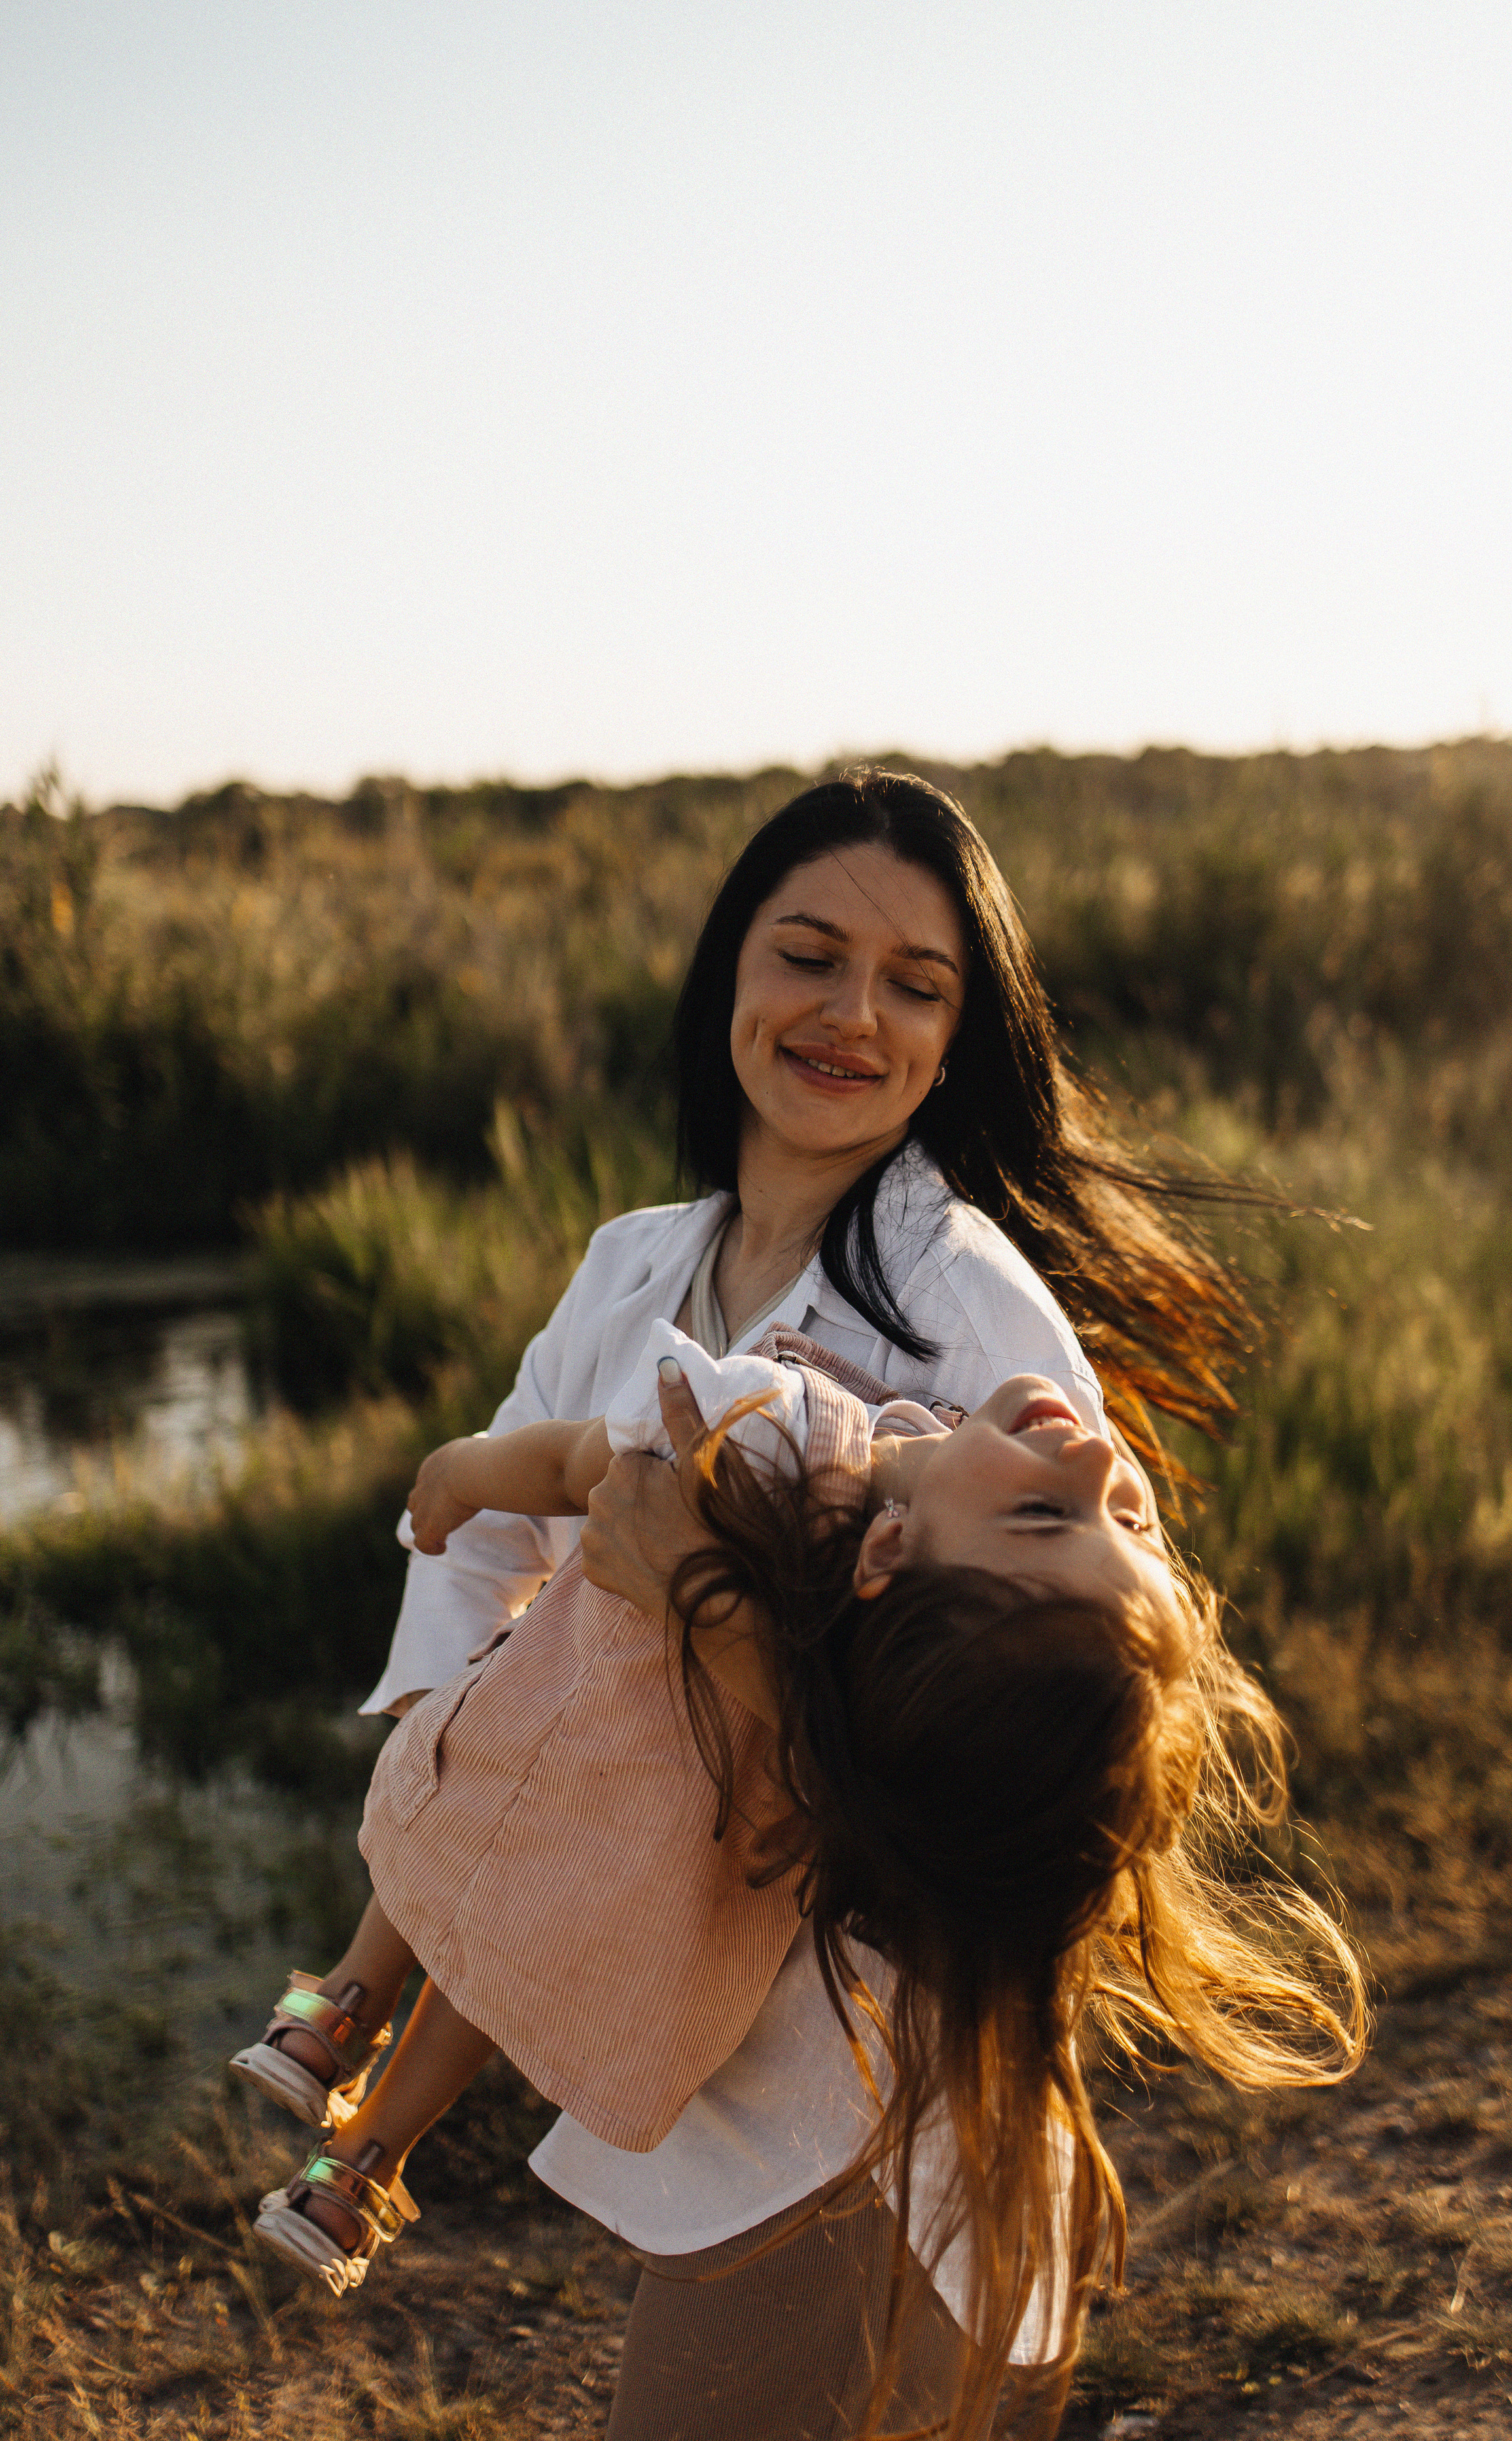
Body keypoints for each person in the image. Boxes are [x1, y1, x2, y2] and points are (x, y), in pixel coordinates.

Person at [324, 770, 1298, 2436]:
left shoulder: (959, 1300)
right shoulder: (634, 1265)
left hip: (873, 2097)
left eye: (915, 986)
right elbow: (490, 1546)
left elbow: (1074, 1737)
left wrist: (709, 1609)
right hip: (682, 2022)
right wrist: (457, 1796)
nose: (853, 1015)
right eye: (809, 956)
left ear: (953, 1036)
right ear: (729, 978)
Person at [240, 1321, 1364, 2441]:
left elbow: (579, 1465)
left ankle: (339, 2056)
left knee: (452, 1903)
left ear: (886, 1556)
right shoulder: (943, 1537)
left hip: (832, 2163)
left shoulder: (816, 1424)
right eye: (1123, 1519)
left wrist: (493, 1489)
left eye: (1052, 1515)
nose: (1107, 1461)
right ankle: (354, 2117)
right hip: (848, 2132)